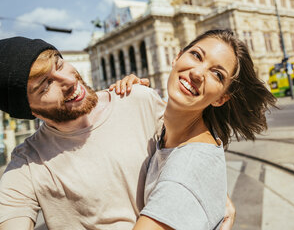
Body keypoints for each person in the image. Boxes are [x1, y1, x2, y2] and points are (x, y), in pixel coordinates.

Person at [0, 37, 235, 230]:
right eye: (45, 85)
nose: (69, 80)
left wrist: (213, 194)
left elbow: (189, 151)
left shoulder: (136, 98)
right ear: (29, 110)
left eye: (59, 64)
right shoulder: (27, 166)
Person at [111, 29, 276, 230]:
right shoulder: (175, 131)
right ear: (177, 57)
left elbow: (188, 177)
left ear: (220, 98)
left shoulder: (185, 174)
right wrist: (132, 95)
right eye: (196, 55)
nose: (197, 73)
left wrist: (194, 186)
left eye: (217, 74)